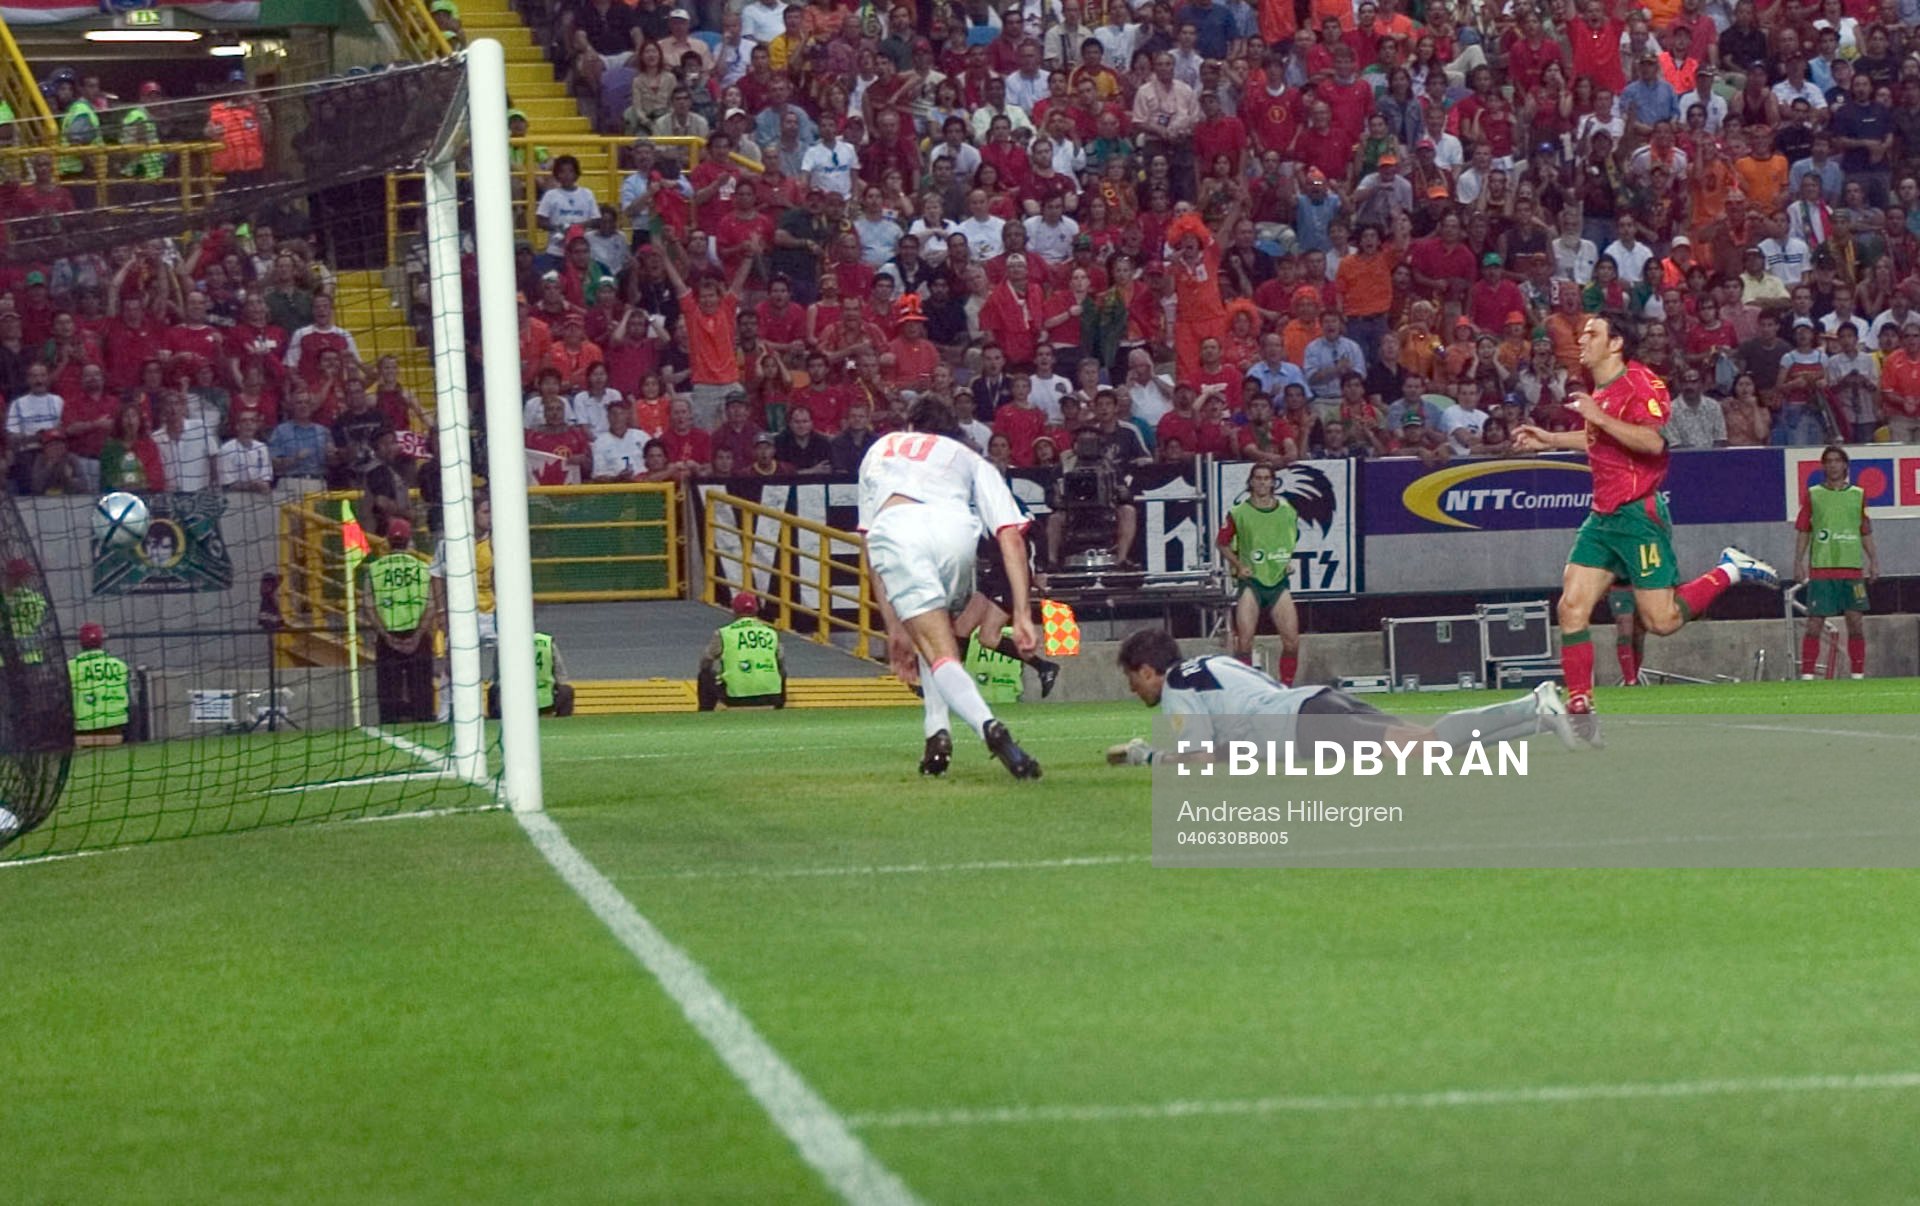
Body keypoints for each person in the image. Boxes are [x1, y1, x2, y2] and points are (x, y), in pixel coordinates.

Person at [1511, 315, 1781, 746]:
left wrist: (1598, 415)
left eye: (1592, 334)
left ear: (1616, 343)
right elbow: (1599, 439)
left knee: (1662, 621)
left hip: (1638, 516)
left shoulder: (1641, 383)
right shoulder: (1601, 389)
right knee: (1571, 608)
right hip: (1602, 518)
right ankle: (1581, 705)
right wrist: (1551, 440)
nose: (1582, 340)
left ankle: (1729, 569)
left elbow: (1653, 442)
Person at [858, 397, 1041, 779]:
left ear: (911, 425)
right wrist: (1023, 614)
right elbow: (1011, 536)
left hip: (899, 526)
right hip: (957, 532)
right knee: (937, 631)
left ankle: (989, 727)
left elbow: (869, 541)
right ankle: (936, 736)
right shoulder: (969, 457)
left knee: (936, 647)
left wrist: (893, 625)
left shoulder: (883, 447)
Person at [1104, 628, 1573, 766]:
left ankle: (1533, 704)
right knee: (1429, 747)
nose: (1132, 688)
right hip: (1314, 704)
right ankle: (1539, 719)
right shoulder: (1210, 663)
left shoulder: (1176, 688)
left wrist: (1149, 757)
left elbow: (1201, 759)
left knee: (1427, 746)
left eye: (1132, 679)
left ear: (1148, 670)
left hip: (1303, 724)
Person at [1793, 446, 1879, 680]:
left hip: (1852, 568)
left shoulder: (1858, 495)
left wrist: (1873, 561)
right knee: (1814, 623)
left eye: (1837, 461)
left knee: (1855, 622)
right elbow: (1804, 530)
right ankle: (1807, 676)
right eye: (1828, 461)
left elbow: (1864, 530)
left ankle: (1857, 675)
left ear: (1845, 465)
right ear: (1823, 466)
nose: (1833, 465)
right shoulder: (1814, 494)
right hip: (1822, 567)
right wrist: (1798, 561)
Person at [1217, 462, 1301, 684]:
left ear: (1273, 482)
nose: (1262, 482)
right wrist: (1238, 565)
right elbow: (1222, 543)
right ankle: (1246, 689)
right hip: (1252, 582)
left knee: (1292, 641)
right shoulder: (1239, 512)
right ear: (1251, 482)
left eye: (1266, 478)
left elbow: (1289, 538)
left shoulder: (1287, 511)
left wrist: (1286, 561)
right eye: (1258, 478)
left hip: (1278, 581)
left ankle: (1286, 687)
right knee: (1244, 642)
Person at [363, 518, 436, 724]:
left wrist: (386, 636)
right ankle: (424, 723)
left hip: (388, 635)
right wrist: (417, 636)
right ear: (409, 539)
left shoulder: (374, 569)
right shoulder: (423, 568)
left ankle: (391, 725)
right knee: (422, 690)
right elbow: (431, 606)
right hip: (417, 635)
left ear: (387, 540)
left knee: (389, 692)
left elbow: (368, 606)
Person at [697, 591, 788, 710]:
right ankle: (779, 709)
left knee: (705, 675)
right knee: (781, 671)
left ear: (734, 611)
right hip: (771, 697)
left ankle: (705, 713)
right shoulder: (771, 633)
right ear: (756, 610)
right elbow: (780, 661)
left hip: (736, 698)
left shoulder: (724, 633)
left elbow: (706, 661)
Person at [69, 621, 130, 745]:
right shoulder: (120, 665)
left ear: (81, 643)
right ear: (101, 641)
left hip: (84, 727)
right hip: (117, 726)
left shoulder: (70, 667)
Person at [489, 632, 576, 717]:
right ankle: (562, 720)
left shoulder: (504, 643)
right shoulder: (547, 642)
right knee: (566, 690)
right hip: (546, 701)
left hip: (514, 702)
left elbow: (498, 677)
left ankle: (499, 720)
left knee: (494, 690)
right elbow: (560, 675)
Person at [1606, 587, 1648, 686]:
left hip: (1643, 589)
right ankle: (1630, 680)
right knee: (1625, 632)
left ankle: (1634, 677)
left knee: (1639, 636)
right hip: (1621, 590)